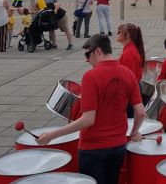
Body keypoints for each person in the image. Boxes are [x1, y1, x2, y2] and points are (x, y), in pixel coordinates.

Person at [35, 35, 145, 183]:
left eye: (88, 55)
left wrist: (52, 135)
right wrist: (133, 133)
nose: (87, 60)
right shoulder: (129, 74)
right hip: (118, 146)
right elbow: (140, 112)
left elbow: (88, 119)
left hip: (93, 148)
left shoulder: (90, 77)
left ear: (98, 51)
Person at [117, 23, 146, 115]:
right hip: (134, 88)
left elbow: (128, 79)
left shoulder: (128, 54)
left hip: (129, 91)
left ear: (127, 35)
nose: (116, 34)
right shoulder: (131, 50)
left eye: (119, 32)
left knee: (128, 120)